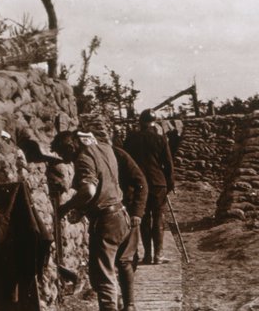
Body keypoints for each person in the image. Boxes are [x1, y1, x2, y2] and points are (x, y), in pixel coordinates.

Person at [50, 130, 131, 311]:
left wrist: (66, 207)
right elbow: (104, 185)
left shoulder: (83, 158)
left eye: (65, 154)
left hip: (106, 221)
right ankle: (119, 305)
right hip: (120, 215)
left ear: (72, 147)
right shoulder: (104, 148)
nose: (68, 160)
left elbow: (89, 191)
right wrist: (82, 209)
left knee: (104, 277)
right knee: (108, 271)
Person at [124, 109, 175, 265]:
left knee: (144, 218)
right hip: (158, 183)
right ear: (154, 124)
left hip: (138, 184)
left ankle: (147, 255)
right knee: (158, 217)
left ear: (140, 123)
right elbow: (168, 164)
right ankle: (158, 255)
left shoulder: (131, 139)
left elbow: (126, 163)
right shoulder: (160, 139)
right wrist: (170, 183)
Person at [113, 146, 148, 311]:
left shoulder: (119, 155)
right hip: (107, 214)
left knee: (124, 259)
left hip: (128, 210)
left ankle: (129, 304)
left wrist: (137, 212)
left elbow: (141, 182)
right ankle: (119, 297)